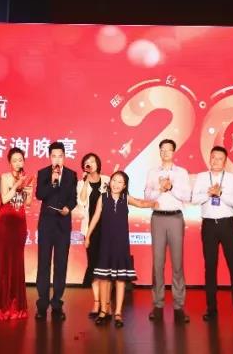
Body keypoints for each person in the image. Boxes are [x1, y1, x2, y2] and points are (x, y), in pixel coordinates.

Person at [86, 170, 157, 328]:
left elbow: (141, 203)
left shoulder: (126, 199)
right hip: (106, 244)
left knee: (120, 279)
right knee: (104, 278)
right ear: (110, 182)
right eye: (114, 180)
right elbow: (95, 217)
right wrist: (88, 236)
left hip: (121, 245)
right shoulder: (103, 197)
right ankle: (104, 311)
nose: (116, 184)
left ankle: (118, 313)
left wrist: (154, 203)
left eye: (120, 182)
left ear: (124, 186)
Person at [190, 146, 233, 322]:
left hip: (227, 224)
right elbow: (194, 199)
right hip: (209, 226)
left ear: (225, 161)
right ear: (209, 158)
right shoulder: (201, 177)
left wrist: (220, 193)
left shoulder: (231, 178)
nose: (215, 161)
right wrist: (209, 193)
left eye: (219, 158)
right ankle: (211, 309)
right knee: (210, 267)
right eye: (213, 157)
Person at [143, 139, 192, 323]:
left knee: (177, 263)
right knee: (158, 263)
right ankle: (158, 304)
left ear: (173, 152)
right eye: (162, 150)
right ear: (159, 152)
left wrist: (171, 187)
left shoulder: (181, 173)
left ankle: (179, 305)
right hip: (157, 218)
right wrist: (159, 189)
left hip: (175, 218)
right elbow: (147, 197)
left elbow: (187, 196)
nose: (165, 153)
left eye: (168, 150)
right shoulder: (152, 172)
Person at [0, 147, 35, 321]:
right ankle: (2, 306)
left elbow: (27, 203)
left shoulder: (27, 178)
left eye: (20, 160)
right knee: (4, 262)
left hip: (19, 223)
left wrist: (29, 192)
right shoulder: (5, 177)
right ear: (10, 162)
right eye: (14, 160)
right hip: (5, 222)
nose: (18, 163)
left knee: (17, 262)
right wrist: (17, 185)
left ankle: (17, 305)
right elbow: (5, 198)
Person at [34, 141, 78, 321]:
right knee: (43, 264)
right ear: (49, 157)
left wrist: (68, 207)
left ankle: (57, 304)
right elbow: (39, 195)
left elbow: (74, 198)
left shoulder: (71, 175)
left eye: (60, 156)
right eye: (54, 156)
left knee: (61, 265)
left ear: (64, 157)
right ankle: (42, 305)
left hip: (63, 225)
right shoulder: (43, 173)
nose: (57, 159)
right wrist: (52, 182)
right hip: (46, 225)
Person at [76, 152, 109, 318]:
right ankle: (96, 302)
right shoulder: (81, 183)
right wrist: (84, 182)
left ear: (98, 164)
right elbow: (81, 202)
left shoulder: (107, 180)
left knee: (106, 267)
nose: (90, 164)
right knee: (94, 265)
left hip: (107, 229)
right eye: (87, 162)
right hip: (90, 228)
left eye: (93, 161)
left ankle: (106, 304)